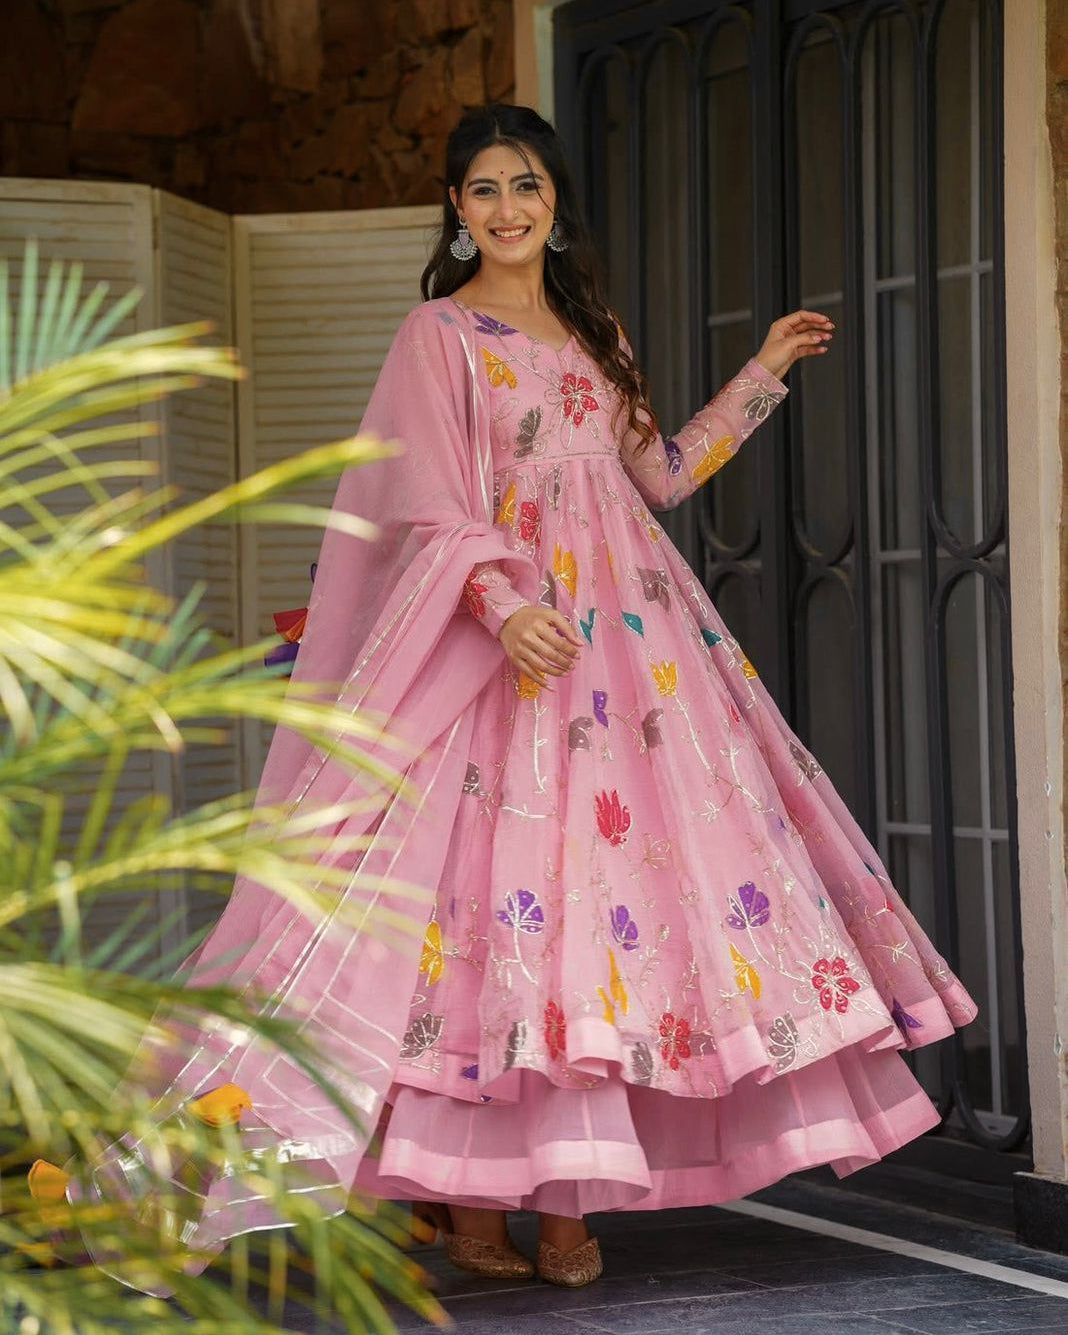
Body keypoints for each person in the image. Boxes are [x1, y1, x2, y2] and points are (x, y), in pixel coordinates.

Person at [40, 103, 976, 1292]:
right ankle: (468, 1203)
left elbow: (661, 476)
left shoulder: (596, 334)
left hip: (635, 658)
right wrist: (499, 605)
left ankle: (571, 1206)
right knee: (481, 919)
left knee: (614, 914)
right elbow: (428, 501)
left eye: (525, 185)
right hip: (508, 652)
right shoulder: (439, 333)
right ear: (455, 209)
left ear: (553, 203)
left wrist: (763, 375)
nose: (506, 207)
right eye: (482, 189)